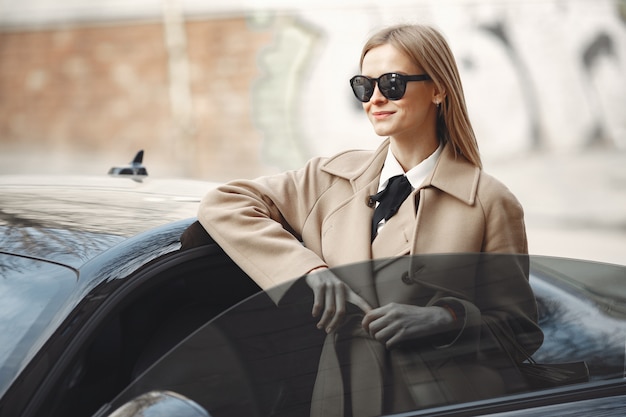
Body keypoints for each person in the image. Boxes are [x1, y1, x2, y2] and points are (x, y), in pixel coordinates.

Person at [197, 23, 543, 417]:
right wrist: (308, 269)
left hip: (436, 404)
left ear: (437, 89)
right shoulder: (328, 179)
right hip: (337, 401)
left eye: (392, 83)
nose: (375, 98)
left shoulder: (488, 201)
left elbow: (519, 333)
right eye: (365, 86)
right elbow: (224, 203)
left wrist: (442, 317)